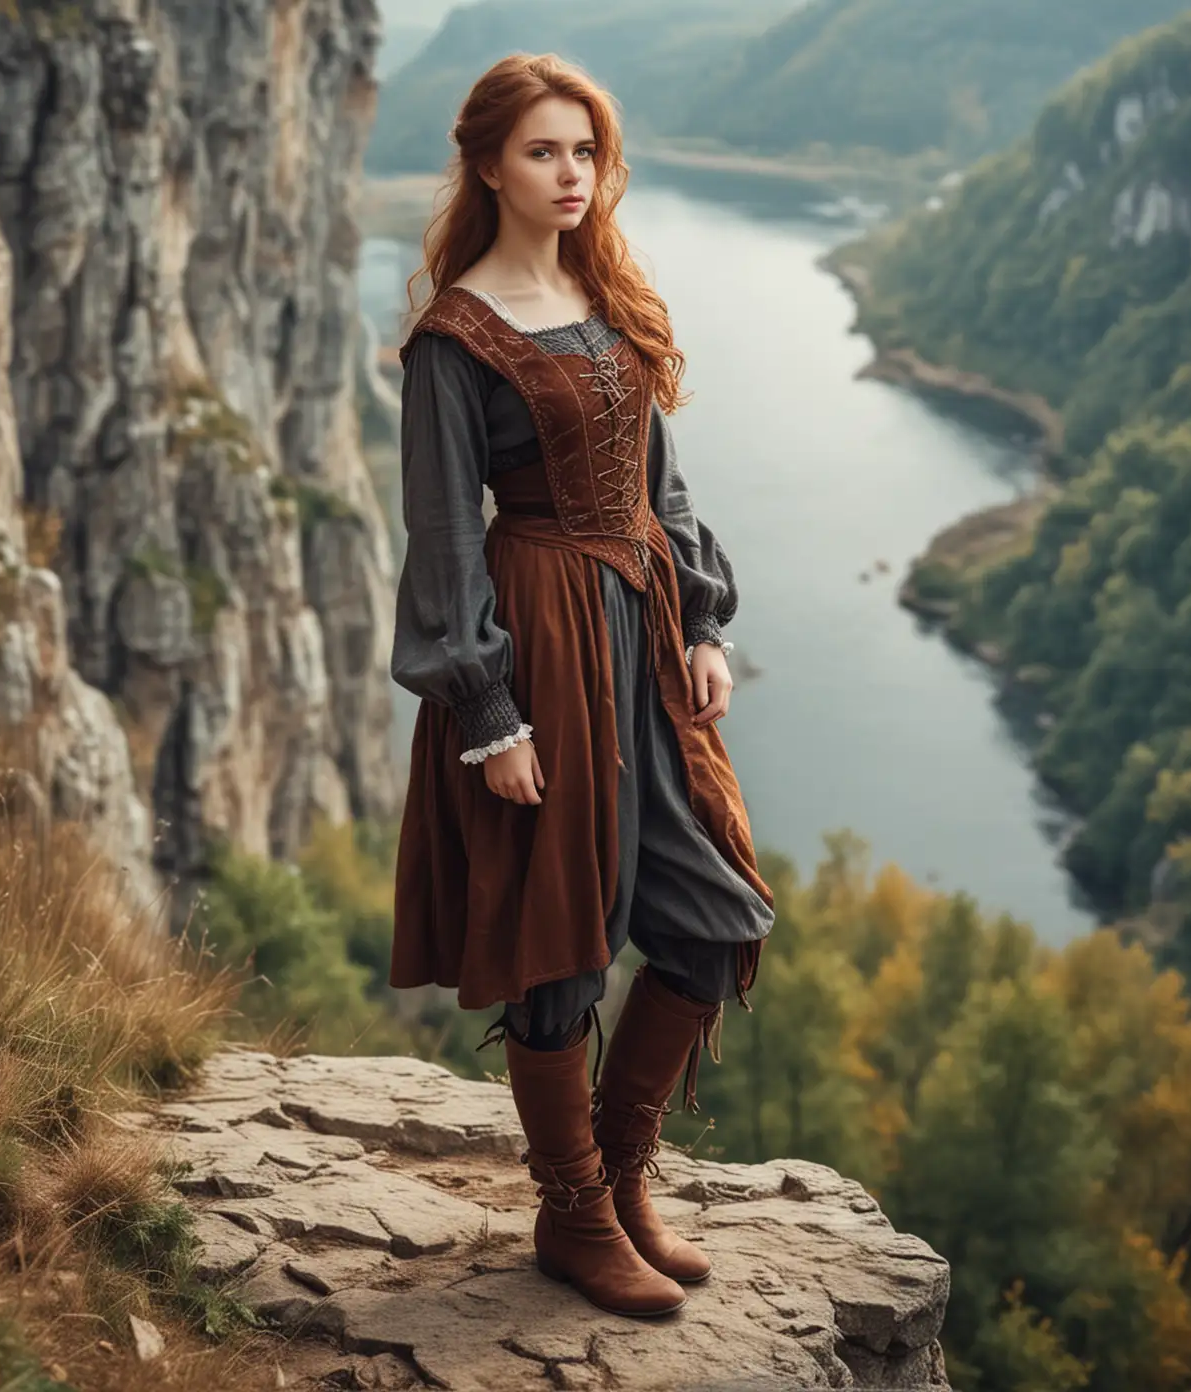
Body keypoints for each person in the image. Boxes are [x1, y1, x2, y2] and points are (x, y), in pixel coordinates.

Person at [387, 52, 777, 1319]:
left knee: (716, 914)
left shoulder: (609, 289)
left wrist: (704, 621)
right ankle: (573, 1216)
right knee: (559, 942)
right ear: (489, 162)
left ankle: (619, 1174)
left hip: (646, 634)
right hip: (541, 639)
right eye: (545, 151)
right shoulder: (456, 338)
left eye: (587, 152)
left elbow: (662, 482)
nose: (572, 174)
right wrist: (488, 713)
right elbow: (444, 539)